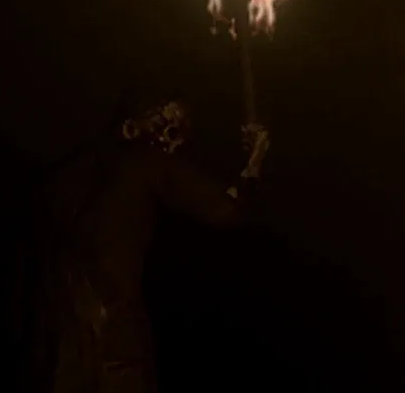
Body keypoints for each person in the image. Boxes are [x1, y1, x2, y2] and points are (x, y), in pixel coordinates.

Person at [47, 92, 268, 393]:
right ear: (131, 128)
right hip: (111, 331)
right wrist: (255, 160)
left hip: (57, 334)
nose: (173, 142)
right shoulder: (144, 161)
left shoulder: (70, 171)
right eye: (167, 127)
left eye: (179, 132)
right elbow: (225, 209)